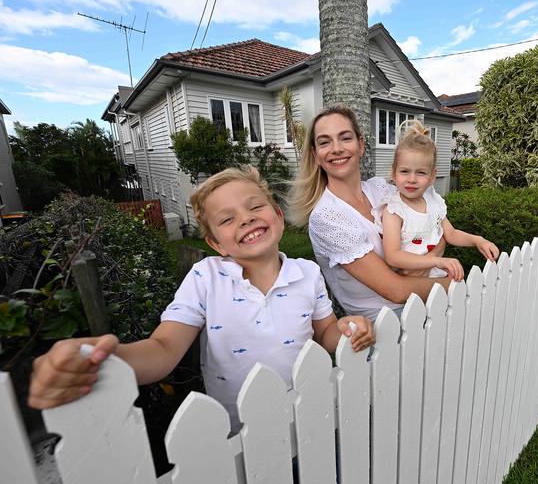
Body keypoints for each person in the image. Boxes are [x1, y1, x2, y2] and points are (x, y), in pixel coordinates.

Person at [28, 166, 375, 432]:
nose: (246, 218)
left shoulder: (307, 273)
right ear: (217, 244)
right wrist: (108, 360)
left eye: (255, 207)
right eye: (227, 219)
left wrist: (346, 327)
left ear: (279, 218)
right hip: (237, 432)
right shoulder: (206, 278)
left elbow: (325, 332)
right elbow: (163, 350)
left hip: (308, 417)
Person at [288, 104, 452, 322]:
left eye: (345, 138)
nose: (336, 148)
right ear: (316, 155)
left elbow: (435, 227)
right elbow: (396, 290)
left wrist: (427, 261)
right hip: (385, 324)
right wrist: (453, 283)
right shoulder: (327, 216)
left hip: (424, 306)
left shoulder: (380, 189)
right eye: (325, 142)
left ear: (361, 145)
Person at [381, 120, 499, 280]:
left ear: (432, 176)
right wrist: (435, 261)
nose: (412, 179)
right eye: (404, 171)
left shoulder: (433, 201)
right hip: (408, 280)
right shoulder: (395, 210)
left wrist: (477, 240)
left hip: (434, 277)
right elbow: (392, 256)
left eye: (421, 172)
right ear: (394, 173)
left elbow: (451, 233)